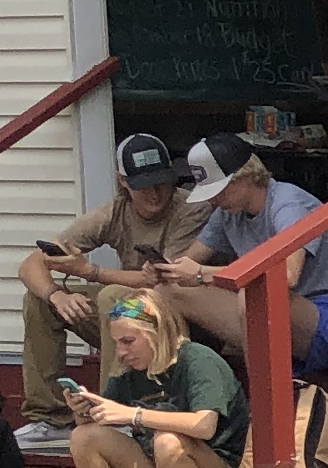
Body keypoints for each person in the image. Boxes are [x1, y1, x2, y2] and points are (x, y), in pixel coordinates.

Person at [13, 130, 200, 446]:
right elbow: (31, 264)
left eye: (161, 182)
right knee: (40, 299)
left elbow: (163, 278)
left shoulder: (191, 208)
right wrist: (57, 295)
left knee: (113, 297)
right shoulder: (113, 211)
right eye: (143, 185)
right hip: (129, 320)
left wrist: (91, 272)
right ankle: (50, 417)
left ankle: (111, 413)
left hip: (176, 320)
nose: (155, 193)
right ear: (123, 182)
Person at [64, 291, 247, 468]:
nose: (120, 352)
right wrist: (82, 412)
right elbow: (105, 421)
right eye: (116, 343)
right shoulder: (129, 373)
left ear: (157, 332)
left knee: (167, 440)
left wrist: (133, 415)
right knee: (84, 436)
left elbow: (204, 425)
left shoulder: (198, 360)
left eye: (128, 341)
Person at [156, 132, 328, 377]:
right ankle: (181, 385)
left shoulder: (288, 204)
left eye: (220, 190)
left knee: (254, 294)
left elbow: (286, 275)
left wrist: (202, 274)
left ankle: (266, 397)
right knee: (166, 292)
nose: (214, 200)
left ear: (247, 176)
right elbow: (189, 260)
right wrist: (167, 270)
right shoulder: (227, 212)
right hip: (270, 316)